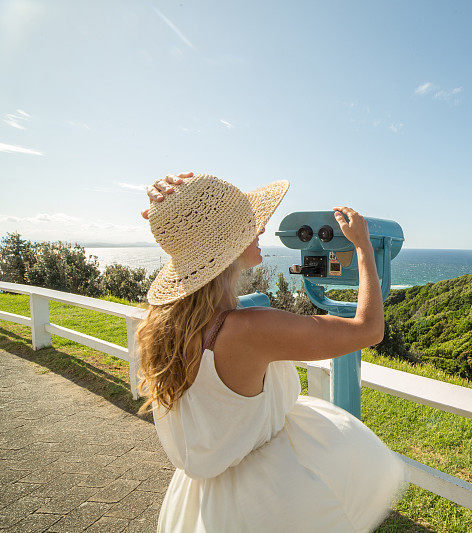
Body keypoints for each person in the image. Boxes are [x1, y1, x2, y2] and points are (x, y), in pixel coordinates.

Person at [136, 172, 410, 532]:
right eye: (250, 223)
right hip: (268, 502)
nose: (261, 229)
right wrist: (363, 248)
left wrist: (176, 205)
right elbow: (369, 329)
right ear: (227, 243)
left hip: (200, 502)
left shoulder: (164, 327)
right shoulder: (251, 330)